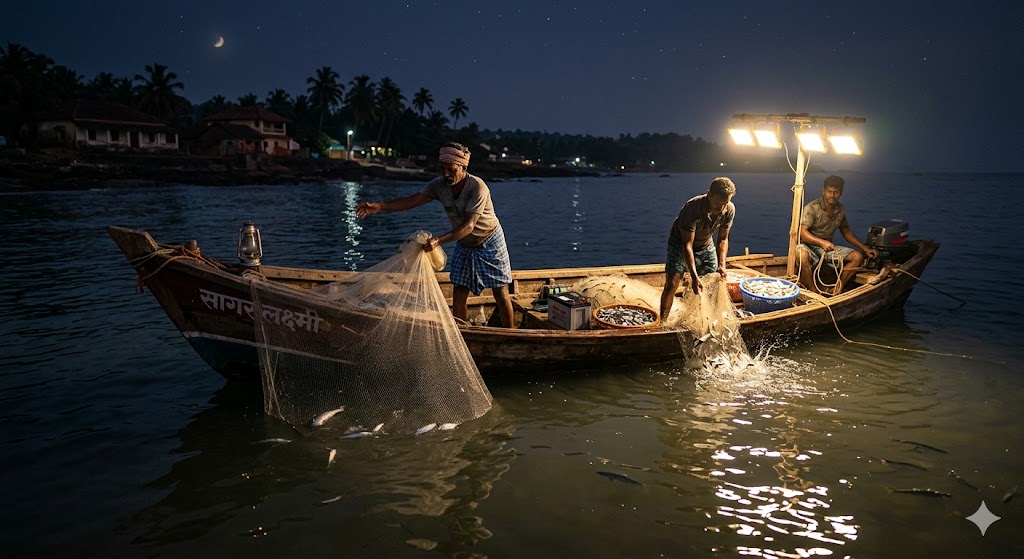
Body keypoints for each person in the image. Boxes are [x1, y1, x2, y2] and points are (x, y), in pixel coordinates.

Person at [355, 142, 514, 327]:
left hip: (490, 241)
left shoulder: (477, 187)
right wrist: (380, 206)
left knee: (500, 292)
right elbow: (412, 200)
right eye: (442, 169)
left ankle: (511, 334)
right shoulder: (438, 185)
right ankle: (462, 333)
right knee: (460, 291)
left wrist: (438, 241)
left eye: (451, 169)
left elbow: (469, 225)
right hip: (464, 243)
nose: (446, 174)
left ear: (463, 167)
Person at [660, 177, 736, 323]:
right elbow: (687, 245)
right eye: (718, 203)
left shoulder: (729, 209)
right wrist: (694, 277)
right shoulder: (692, 209)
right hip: (680, 243)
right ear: (709, 195)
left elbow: (723, 239)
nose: (721, 208)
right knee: (672, 283)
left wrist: (722, 265)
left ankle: (710, 321)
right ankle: (662, 322)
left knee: (713, 283)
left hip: (706, 244)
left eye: (725, 203)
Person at [796, 175, 879, 294]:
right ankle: (813, 291)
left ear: (841, 193)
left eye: (836, 192)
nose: (832, 195)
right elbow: (802, 232)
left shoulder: (840, 209)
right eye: (829, 191)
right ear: (823, 190)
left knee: (857, 257)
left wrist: (865, 249)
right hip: (808, 246)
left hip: (828, 249)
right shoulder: (812, 208)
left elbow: (846, 231)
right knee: (802, 255)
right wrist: (821, 242)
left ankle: (838, 287)